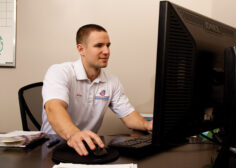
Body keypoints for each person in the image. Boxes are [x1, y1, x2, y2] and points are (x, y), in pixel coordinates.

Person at [41, 24, 153, 156]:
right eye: (99, 45)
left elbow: (128, 116)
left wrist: (148, 125)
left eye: (108, 45)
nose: (106, 51)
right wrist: (74, 134)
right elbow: (54, 108)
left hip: (89, 147)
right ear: (81, 49)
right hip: (54, 144)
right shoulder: (59, 72)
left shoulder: (112, 81)